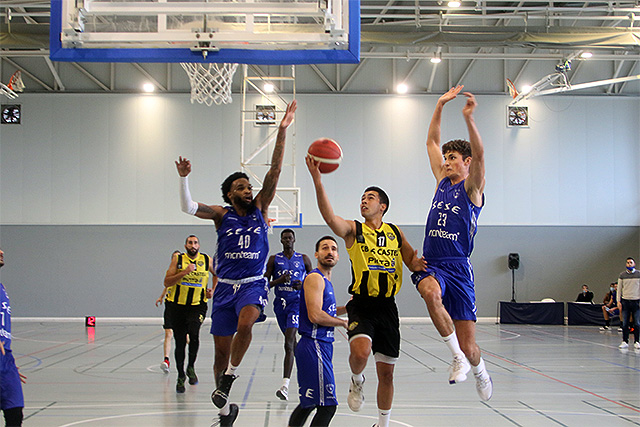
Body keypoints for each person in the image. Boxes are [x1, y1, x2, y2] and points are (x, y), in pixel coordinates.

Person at [176, 100, 296, 426]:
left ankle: (230, 376)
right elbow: (187, 206)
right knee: (217, 354)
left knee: (247, 323)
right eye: (240, 187)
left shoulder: (260, 208)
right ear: (230, 194)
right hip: (225, 288)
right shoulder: (221, 214)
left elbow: (274, 171)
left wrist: (282, 130)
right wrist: (184, 178)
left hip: (253, 284)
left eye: (248, 186)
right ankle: (225, 411)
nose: (248, 189)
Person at [306, 158, 426, 427]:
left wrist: (418, 265)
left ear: (382, 206)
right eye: (362, 198)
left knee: (387, 375)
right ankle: (357, 380)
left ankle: (382, 424)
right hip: (361, 304)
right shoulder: (353, 230)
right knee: (360, 353)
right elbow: (329, 217)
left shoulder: (395, 232)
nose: (364, 201)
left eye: (370, 198)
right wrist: (318, 180)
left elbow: (411, 261)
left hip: (388, 307)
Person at [411, 85, 493, 401]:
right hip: (434, 264)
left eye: (453, 157)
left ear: (467, 162)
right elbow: (431, 141)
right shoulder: (440, 181)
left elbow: (482, 155)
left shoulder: (472, 189)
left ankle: (479, 370)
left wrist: (469, 118)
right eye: (445, 157)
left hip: (460, 268)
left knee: (472, 346)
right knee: (430, 293)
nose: (446, 161)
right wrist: (439, 105)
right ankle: (455, 355)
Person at [288, 236, 347, 427]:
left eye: (333, 249)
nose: (329, 252)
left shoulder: (325, 281)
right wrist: (342, 323)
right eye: (324, 248)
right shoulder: (315, 278)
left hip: (318, 346)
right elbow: (315, 315)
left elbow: (324, 310)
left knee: (308, 403)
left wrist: (347, 308)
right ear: (316, 254)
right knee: (328, 406)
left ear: (338, 255)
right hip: (314, 344)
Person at [163, 236, 215, 393]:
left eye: (195, 243)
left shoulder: (206, 260)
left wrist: (213, 289)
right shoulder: (178, 260)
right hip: (177, 306)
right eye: (190, 243)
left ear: (199, 245)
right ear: (185, 245)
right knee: (179, 342)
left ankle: (191, 366)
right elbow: (167, 282)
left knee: (194, 334)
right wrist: (184, 272)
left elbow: (217, 274)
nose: (193, 245)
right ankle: (180, 375)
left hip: (197, 306)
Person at [265, 228, 312, 401]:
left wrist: (303, 285)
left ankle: (285, 385)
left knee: (289, 341)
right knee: (292, 343)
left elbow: (313, 280)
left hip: (296, 304)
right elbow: (265, 283)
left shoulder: (304, 259)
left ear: (294, 240)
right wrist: (278, 281)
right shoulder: (274, 259)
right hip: (280, 305)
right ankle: (307, 367)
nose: (287, 240)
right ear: (281, 240)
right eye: (284, 238)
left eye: (290, 238)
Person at [0, 248, 27, 427]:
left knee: (15, 413)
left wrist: (9, 360)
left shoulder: (2, 287)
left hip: (5, 359)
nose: (1, 252)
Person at [156, 249, 181, 373]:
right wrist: (161, 297)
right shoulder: (170, 273)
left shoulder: (184, 273)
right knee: (168, 334)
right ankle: (166, 360)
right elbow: (167, 286)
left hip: (182, 307)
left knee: (185, 337)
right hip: (170, 306)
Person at [617, 257, 640, 349]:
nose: (629, 264)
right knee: (625, 323)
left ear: (634, 264)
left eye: (631, 262)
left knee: (637, 323)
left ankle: (637, 341)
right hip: (625, 301)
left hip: (636, 301)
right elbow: (619, 289)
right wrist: (618, 301)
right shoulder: (622, 275)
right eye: (627, 263)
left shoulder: (639, 274)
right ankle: (625, 341)